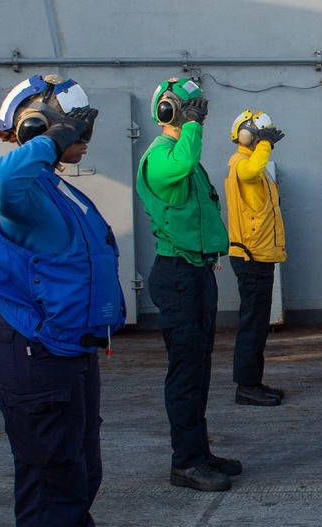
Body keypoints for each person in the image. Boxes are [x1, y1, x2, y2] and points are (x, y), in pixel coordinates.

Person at [0, 74, 136, 527]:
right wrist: (46, 138)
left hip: (70, 351)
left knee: (80, 476)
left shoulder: (54, 185)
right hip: (33, 353)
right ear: (39, 124)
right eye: (77, 125)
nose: (85, 135)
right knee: (51, 483)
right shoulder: (21, 182)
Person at [137, 77, 241, 492]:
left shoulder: (186, 154)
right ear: (167, 112)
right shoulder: (163, 155)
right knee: (184, 372)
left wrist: (192, 129)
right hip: (177, 274)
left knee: (198, 368)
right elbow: (179, 167)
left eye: (200, 109)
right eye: (190, 109)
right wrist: (192, 128)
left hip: (196, 271)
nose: (198, 116)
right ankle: (185, 463)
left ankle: (199, 452)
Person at [225, 109, 287, 407]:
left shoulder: (254, 164)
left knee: (258, 323)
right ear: (248, 134)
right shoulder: (242, 163)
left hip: (259, 254)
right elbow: (250, 171)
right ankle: (246, 387)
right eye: (261, 135)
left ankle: (253, 382)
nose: (266, 142)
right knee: (252, 323)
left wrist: (261, 145)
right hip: (251, 256)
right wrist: (264, 144)